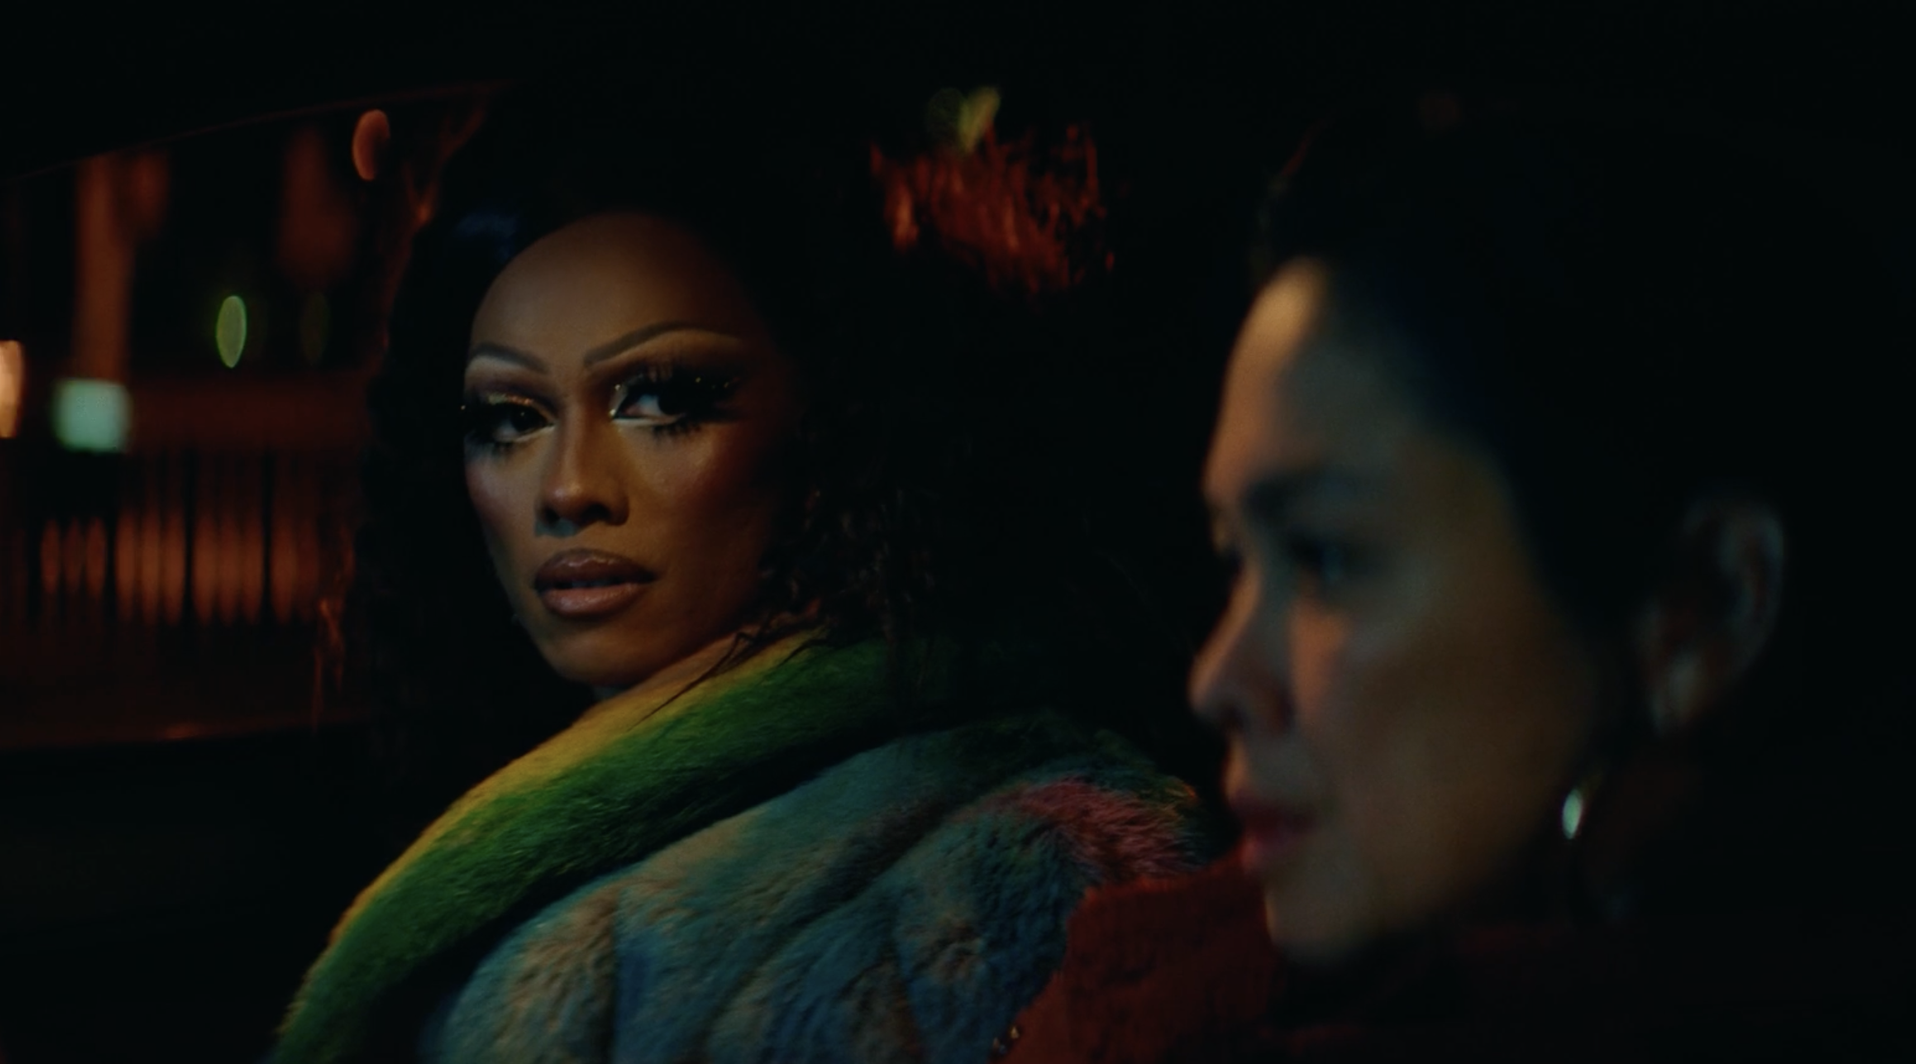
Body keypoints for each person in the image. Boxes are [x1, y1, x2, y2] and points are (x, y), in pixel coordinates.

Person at [1004, 91, 1916, 1062]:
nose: (1219, 677)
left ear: (1700, 608)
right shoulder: (1148, 996)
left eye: (1326, 556)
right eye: (1235, 560)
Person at [268, 88, 1215, 1064]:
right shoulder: (528, 812)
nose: (569, 487)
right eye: (509, 419)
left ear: (836, 417)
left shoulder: (1011, 864)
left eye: (661, 400)